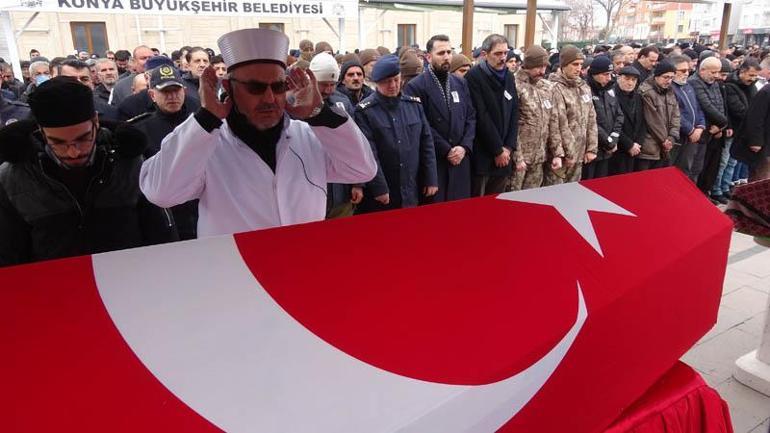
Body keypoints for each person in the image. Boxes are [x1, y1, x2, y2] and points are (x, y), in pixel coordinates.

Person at [140, 28, 377, 236]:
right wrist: (206, 119)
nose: (270, 98)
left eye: (278, 86)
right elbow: (161, 192)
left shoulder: (308, 136)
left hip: (303, 267)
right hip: (237, 276)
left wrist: (320, 113)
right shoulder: (207, 144)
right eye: (255, 87)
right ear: (228, 87)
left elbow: (362, 169)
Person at [0, 77, 177, 266]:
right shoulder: (12, 179)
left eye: (83, 138)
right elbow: (8, 257)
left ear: (95, 122)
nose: (73, 151)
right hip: (53, 290)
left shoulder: (133, 164)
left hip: (130, 285)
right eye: (58, 143)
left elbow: (163, 239)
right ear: (41, 132)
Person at [353, 55, 438, 213]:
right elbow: (369, 153)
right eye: (386, 81)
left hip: (412, 186)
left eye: (396, 80)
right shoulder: (365, 111)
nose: (392, 85)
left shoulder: (413, 105)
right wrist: (379, 187)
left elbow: (427, 144)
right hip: (383, 189)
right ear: (376, 83)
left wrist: (431, 178)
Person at [404, 34, 476, 201]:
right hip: (436, 162)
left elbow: (471, 117)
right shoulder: (416, 86)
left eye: (449, 52)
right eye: (441, 53)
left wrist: (464, 147)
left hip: (461, 159)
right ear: (428, 57)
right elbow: (422, 125)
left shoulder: (459, 83)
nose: (446, 57)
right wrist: (447, 149)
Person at [132, 66, 200, 240]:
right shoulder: (140, 131)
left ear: (184, 91)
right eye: (165, 92)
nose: (172, 96)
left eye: (176, 90)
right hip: (165, 218)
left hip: (201, 211)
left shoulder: (199, 124)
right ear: (152, 95)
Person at [465, 34, 519, 196]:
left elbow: (514, 112)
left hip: (505, 154)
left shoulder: (508, 76)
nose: (503, 58)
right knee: (479, 204)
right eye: (498, 53)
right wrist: (497, 150)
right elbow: (481, 116)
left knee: (497, 203)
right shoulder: (474, 77)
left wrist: (508, 147)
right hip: (485, 154)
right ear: (485, 54)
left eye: (505, 53)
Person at [309, 53, 360, 218]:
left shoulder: (343, 103)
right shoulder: (297, 106)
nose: (329, 89)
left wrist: (358, 183)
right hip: (311, 190)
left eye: (333, 84)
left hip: (341, 193)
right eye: (324, 84)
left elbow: (356, 145)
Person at [509, 45, 562, 190]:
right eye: (539, 67)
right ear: (528, 65)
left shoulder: (545, 87)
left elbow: (553, 122)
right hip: (520, 160)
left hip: (539, 157)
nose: (542, 71)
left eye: (545, 67)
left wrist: (557, 153)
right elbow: (512, 125)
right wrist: (518, 157)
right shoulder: (515, 85)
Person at [547, 45, 598, 185]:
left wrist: (591, 148)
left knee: (573, 190)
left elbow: (591, 119)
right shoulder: (554, 88)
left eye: (581, 64)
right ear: (563, 65)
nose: (578, 68)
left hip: (580, 152)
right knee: (555, 192)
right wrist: (567, 153)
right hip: (562, 155)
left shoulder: (583, 87)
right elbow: (558, 124)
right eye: (574, 64)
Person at [689, 57, 731, 196]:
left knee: (705, 168)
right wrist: (723, 123)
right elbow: (706, 106)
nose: (716, 76)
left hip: (713, 131)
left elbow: (720, 105)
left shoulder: (714, 83)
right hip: (699, 132)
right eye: (713, 72)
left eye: (718, 72)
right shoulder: (694, 82)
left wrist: (720, 126)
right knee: (693, 169)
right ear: (702, 70)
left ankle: (699, 195)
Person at [636, 61, 681, 171]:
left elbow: (676, 116)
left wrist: (672, 137)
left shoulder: (670, 91)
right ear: (656, 76)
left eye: (671, 77)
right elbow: (652, 120)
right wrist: (664, 140)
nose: (669, 81)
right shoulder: (646, 91)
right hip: (649, 146)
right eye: (665, 77)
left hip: (665, 145)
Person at [584, 55, 623, 179]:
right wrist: (608, 141)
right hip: (591, 150)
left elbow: (619, 115)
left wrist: (614, 138)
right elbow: (591, 121)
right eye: (605, 74)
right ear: (595, 74)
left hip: (607, 151)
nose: (609, 78)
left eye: (610, 74)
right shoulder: (585, 90)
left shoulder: (609, 90)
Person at [669, 55, 706, 180]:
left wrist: (700, 127)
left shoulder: (688, 86)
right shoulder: (670, 89)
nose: (686, 73)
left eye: (688, 70)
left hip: (693, 137)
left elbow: (698, 108)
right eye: (683, 71)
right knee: (673, 172)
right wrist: (690, 130)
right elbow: (676, 113)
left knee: (686, 171)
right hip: (679, 138)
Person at [610, 66, 645, 175]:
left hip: (636, 149)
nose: (630, 83)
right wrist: (629, 145)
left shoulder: (638, 97)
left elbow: (642, 122)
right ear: (619, 78)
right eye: (627, 79)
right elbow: (611, 123)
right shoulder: (611, 96)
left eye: (633, 80)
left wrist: (638, 143)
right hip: (618, 148)